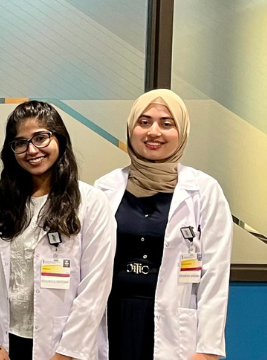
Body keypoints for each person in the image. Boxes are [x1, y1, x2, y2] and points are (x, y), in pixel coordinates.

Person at [0, 101, 115, 360]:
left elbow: (95, 288)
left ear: (59, 138)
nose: (31, 150)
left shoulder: (90, 202)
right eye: (21, 143)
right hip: (7, 344)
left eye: (41, 138)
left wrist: (67, 353)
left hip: (63, 347)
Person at [95, 89, 231, 360]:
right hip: (113, 318)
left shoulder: (205, 190)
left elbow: (215, 275)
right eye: (143, 122)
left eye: (166, 124)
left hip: (174, 325)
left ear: (182, 133)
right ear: (130, 128)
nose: (153, 132)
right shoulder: (104, 188)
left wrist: (207, 349)